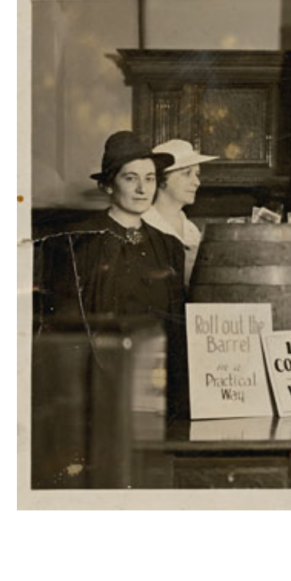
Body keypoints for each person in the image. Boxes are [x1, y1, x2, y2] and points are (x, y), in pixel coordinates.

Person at [36, 131, 188, 416]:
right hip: (96, 395)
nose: (143, 189)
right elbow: (64, 333)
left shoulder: (169, 248)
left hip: (156, 392)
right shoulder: (76, 243)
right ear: (108, 185)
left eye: (150, 178)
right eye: (130, 178)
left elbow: (177, 333)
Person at [142, 139, 218, 287]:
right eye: (187, 174)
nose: (197, 182)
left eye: (197, 174)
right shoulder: (143, 225)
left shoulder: (192, 230)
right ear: (162, 178)